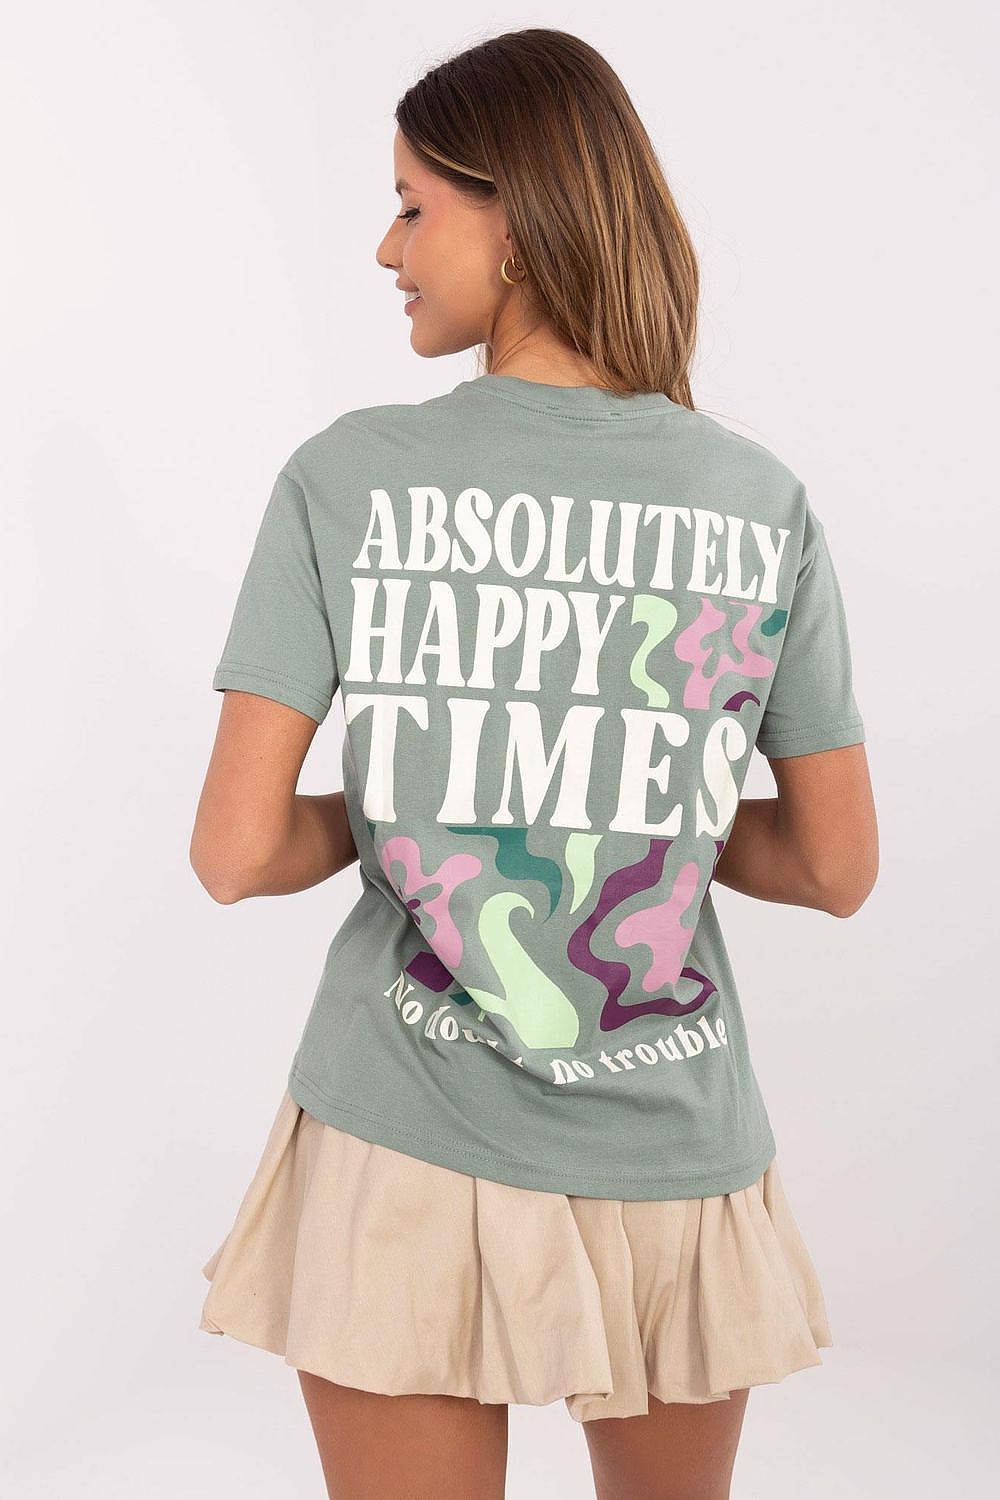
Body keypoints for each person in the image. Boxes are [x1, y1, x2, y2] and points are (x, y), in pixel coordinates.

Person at [190, 26, 878, 1500]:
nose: (386, 248)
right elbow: (836, 866)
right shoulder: (756, 499)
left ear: (518, 215)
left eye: (412, 205)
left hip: (399, 1138)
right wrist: (644, 818)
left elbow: (235, 852)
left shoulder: (346, 477)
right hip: (670, 1136)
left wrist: (415, 806)